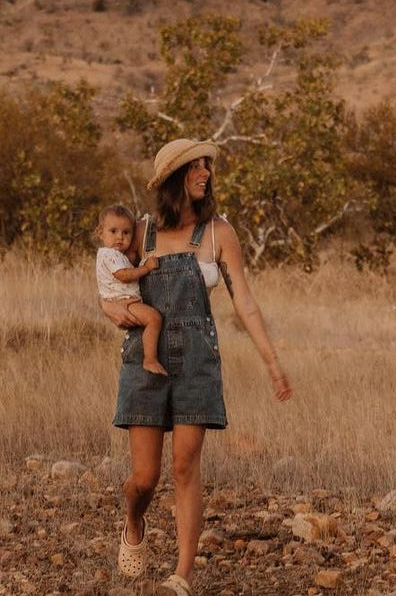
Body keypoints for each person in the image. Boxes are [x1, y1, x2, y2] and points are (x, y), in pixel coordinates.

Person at [103, 138, 293, 596]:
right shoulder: (140, 231)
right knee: (143, 479)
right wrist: (112, 310)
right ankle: (133, 519)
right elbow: (109, 281)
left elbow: (244, 301)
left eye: (207, 166)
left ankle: (182, 576)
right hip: (144, 361)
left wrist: (273, 363)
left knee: (186, 467)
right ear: (173, 178)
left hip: (197, 361)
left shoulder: (218, 232)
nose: (206, 173)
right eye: (196, 167)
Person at [96, 203, 168, 376]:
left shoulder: (116, 255)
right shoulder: (109, 255)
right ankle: (150, 359)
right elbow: (124, 275)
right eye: (113, 231)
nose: (120, 237)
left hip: (123, 299)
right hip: (124, 302)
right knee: (154, 319)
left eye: (126, 233)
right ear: (100, 233)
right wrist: (147, 268)